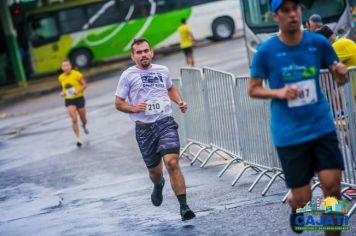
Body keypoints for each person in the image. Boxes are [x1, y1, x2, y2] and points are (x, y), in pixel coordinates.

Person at [248, 0, 348, 235]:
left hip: (321, 125)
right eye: (285, 10)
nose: (292, 14)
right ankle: (297, 206)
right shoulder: (266, 51)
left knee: (332, 189)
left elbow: (338, 75)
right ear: (275, 16)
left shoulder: (318, 43)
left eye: (296, 9)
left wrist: (341, 74)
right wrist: (278, 92)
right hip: (289, 134)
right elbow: (253, 89)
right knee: (303, 198)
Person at [114, 38, 195, 221]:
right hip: (144, 129)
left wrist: (179, 101)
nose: (143, 55)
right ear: (133, 56)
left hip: (165, 122)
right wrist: (134, 108)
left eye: (146, 51)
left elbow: (170, 88)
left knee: (172, 162)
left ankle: (184, 207)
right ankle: (158, 186)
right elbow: (118, 103)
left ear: (152, 52)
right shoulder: (128, 75)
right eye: (139, 52)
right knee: (155, 173)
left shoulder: (162, 71)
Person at [316, 25, 356, 197]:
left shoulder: (341, 44)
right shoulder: (340, 43)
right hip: (353, 101)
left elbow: (321, 64)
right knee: (350, 137)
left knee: (350, 137)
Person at [58, 59, 89, 147]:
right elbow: (64, 88)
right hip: (69, 99)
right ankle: (78, 139)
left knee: (83, 119)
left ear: (70, 66)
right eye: (64, 66)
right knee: (74, 119)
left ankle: (84, 125)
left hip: (79, 98)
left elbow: (84, 85)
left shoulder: (77, 74)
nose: (66, 67)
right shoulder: (61, 77)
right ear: (62, 67)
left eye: (67, 65)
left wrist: (78, 91)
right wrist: (62, 93)